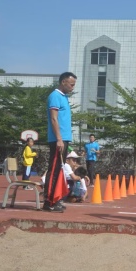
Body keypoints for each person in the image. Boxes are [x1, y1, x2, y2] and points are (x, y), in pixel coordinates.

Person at [43, 72, 77, 212]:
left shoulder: (64, 97)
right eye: (71, 84)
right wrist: (59, 139)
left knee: (59, 169)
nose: (73, 87)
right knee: (54, 169)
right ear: (63, 82)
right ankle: (48, 202)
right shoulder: (55, 96)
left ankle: (55, 199)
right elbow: (53, 118)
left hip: (64, 139)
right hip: (58, 139)